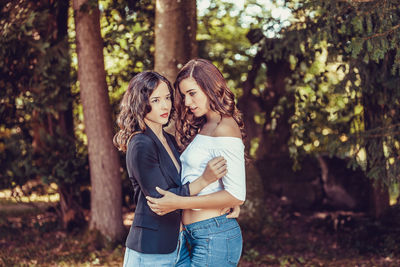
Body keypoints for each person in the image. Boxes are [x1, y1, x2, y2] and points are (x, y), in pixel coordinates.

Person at [113, 71, 230, 267]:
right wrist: (204, 180)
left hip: (178, 244)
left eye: (167, 97)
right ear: (141, 102)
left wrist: (222, 199)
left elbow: (180, 187)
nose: (165, 105)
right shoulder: (140, 143)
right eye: (156, 100)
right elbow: (160, 201)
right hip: (149, 251)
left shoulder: (168, 139)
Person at [146, 59, 247, 266]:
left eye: (192, 93)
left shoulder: (225, 126)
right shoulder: (205, 125)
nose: (187, 102)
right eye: (183, 96)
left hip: (215, 234)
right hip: (193, 234)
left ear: (210, 88)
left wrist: (180, 202)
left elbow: (237, 194)